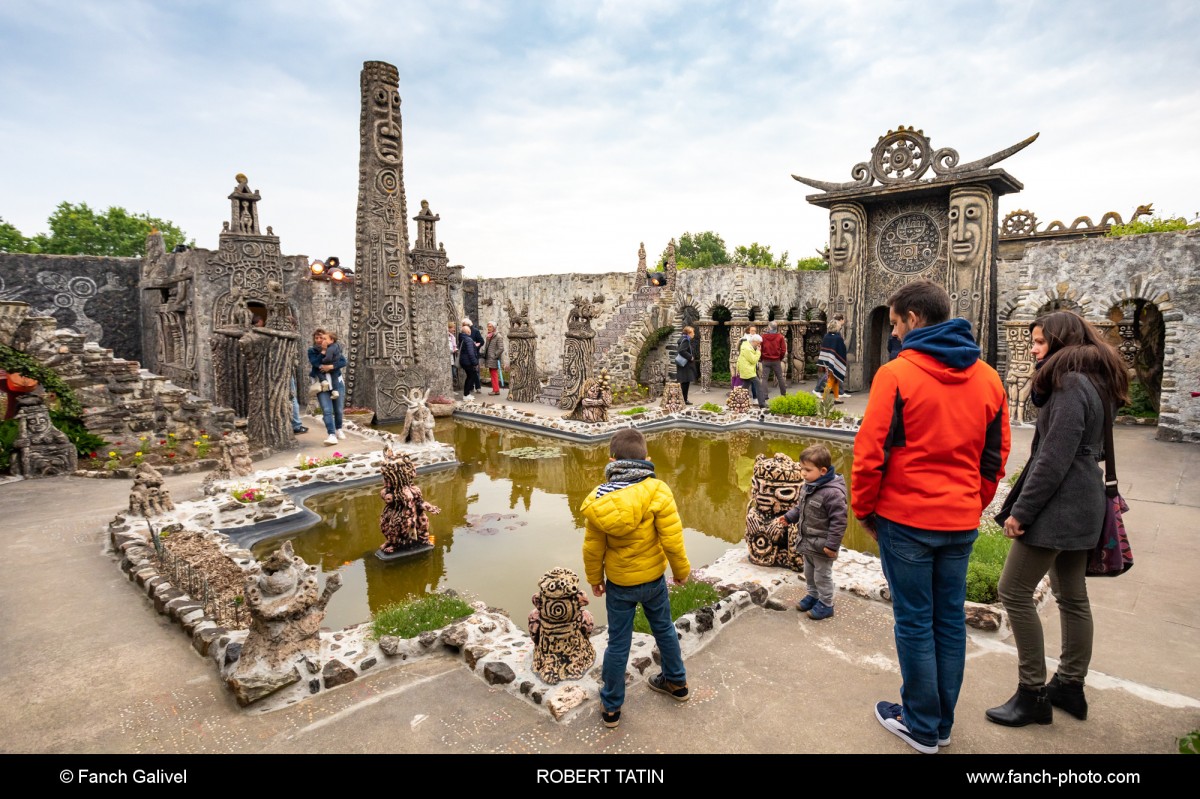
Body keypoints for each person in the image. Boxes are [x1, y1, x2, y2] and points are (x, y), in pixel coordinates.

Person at [852, 280, 1010, 754]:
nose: (895, 333)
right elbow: (995, 456)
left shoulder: (897, 374)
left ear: (914, 319)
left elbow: (869, 454)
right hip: (959, 520)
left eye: (896, 323)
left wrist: (864, 509)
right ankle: (940, 722)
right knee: (949, 621)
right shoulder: (987, 377)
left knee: (916, 623)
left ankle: (921, 725)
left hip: (906, 520)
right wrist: (971, 503)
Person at [985, 311, 1128, 727]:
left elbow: (1053, 456)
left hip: (1061, 502)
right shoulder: (1098, 379)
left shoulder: (1068, 383)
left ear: (1062, 342)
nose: (1033, 349)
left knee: (1012, 590)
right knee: (1072, 596)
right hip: (1087, 497)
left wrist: (1021, 512)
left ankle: (1032, 693)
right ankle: (1069, 686)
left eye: (1040, 343)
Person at [581, 428, 692, 729]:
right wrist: (681, 571)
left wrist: (594, 578)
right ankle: (676, 683)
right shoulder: (658, 490)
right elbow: (672, 538)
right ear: (647, 458)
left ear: (611, 459)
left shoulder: (599, 500)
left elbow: (593, 548)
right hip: (654, 580)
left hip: (620, 584)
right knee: (665, 630)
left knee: (618, 643)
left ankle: (612, 707)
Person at [775, 444, 846, 620]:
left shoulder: (833, 493)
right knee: (809, 573)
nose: (803, 473)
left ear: (823, 471)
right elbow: (802, 507)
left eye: (807, 470)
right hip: (808, 542)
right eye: (802, 469)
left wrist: (832, 545)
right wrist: (790, 517)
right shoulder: (809, 485)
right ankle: (813, 596)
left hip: (823, 546)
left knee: (822, 575)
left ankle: (826, 604)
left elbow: (840, 521)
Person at [308, 329, 346, 445]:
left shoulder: (335, 347)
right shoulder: (312, 351)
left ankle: (338, 429)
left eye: (322, 337)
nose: (319, 340)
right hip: (322, 384)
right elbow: (315, 363)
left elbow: (343, 361)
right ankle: (331, 434)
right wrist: (323, 351)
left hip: (337, 382)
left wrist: (331, 366)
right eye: (317, 338)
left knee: (338, 409)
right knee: (327, 410)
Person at [818, 318, 849, 404]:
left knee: (836, 380)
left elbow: (824, 349)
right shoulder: (838, 338)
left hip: (827, 361)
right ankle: (824, 399)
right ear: (836, 327)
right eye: (839, 325)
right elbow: (842, 349)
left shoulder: (826, 336)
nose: (840, 326)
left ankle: (836, 398)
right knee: (831, 380)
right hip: (835, 362)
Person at [738, 334, 767, 409]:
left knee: (745, 388)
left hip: (747, 370)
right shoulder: (747, 348)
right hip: (748, 370)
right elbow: (753, 360)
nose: (759, 345)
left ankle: (739, 402)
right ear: (753, 341)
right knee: (759, 385)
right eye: (758, 343)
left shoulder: (748, 346)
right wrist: (758, 352)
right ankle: (762, 404)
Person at [760, 322, 788, 398]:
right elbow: (783, 350)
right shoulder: (780, 337)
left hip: (765, 360)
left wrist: (761, 358)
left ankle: (765, 395)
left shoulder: (763, 337)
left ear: (769, 327)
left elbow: (760, 349)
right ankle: (784, 394)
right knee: (780, 377)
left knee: (764, 378)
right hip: (776, 360)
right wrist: (780, 358)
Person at [481, 321, 505, 396]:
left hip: (493, 359)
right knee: (492, 373)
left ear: (494, 328)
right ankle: (495, 389)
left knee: (494, 374)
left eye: (490, 326)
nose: (488, 328)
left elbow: (501, 348)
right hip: (489, 358)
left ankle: (496, 390)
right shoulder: (489, 336)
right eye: (488, 326)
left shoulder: (498, 336)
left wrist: (494, 355)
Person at [457, 322, 480, 401]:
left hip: (464, 361)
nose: (470, 332)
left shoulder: (462, 338)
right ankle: (466, 395)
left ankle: (467, 394)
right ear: (468, 332)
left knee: (470, 376)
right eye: (469, 331)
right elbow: (471, 353)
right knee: (471, 376)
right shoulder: (468, 339)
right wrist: (475, 363)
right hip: (468, 362)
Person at [676, 326, 699, 404]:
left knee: (685, 382)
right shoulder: (686, 340)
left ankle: (683, 399)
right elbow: (681, 351)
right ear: (689, 333)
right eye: (693, 332)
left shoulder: (683, 339)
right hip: (686, 365)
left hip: (683, 365)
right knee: (685, 383)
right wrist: (690, 357)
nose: (694, 334)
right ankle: (684, 400)